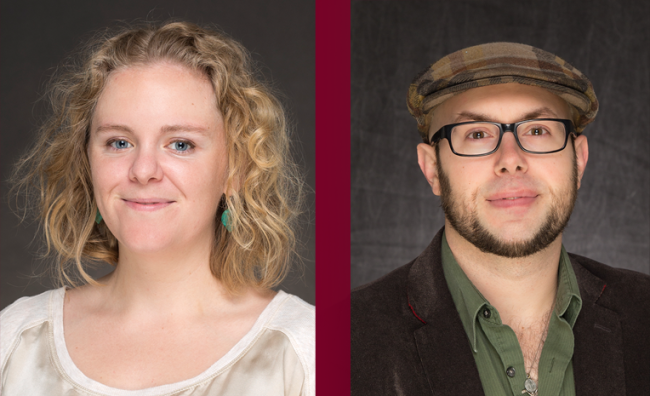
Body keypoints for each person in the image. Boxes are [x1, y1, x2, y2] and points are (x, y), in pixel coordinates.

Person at [1, 21, 314, 396]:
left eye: (180, 144)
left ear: (236, 171)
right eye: (119, 142)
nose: (143, 170)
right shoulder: (14, 340)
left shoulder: (304, 351)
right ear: (87, 163)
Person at [351, 42, 650, 395]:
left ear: (579, 160)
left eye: (537, 130)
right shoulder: (341, 339)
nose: (511, 158)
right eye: (477, 134)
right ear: (432, 169)